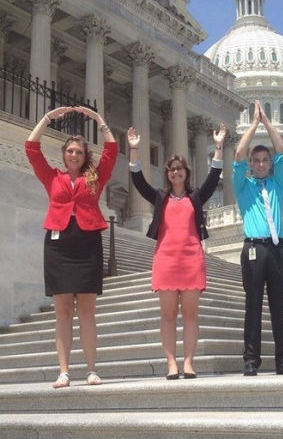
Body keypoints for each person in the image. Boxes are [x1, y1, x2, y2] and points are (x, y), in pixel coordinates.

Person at [25, 106, 118, 388]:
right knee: (62, 310)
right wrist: (47, 119)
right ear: (64, 155)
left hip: (88, 241)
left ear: (84, 155)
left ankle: (91, 370)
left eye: (78, 151)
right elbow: (31, 148)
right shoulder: (53, 177)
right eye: (70, 151)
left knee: (87, 310)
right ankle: (64, 371)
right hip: (59, 245)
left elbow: (112, 151)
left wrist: (101, 121)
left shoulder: (95, 177)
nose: (74, 155)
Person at [128, 124, 225, 379]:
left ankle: (189, 362)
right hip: (166, 260)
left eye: (179, 169)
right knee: (168, 314)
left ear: (186, 173)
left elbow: (214, 178)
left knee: (191, 314)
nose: (175, 173)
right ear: (168, 174)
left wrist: (218, 147)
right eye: (171, 170)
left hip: (191, 258)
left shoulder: (196, 197)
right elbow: (138, 182)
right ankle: (171, 363)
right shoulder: (161, 197)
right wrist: (135, 149)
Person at [233, 100, 283, 376]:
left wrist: (268, 123)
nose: (260, 164)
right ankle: (251, 359)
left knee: (278, 306)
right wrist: (254, 125)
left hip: (277, 250)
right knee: (253, 305)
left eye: (264, 160)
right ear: (251, 164)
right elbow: (237, 153)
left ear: (270, 164)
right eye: (256, 161)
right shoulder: (243, 185)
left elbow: (282, 151)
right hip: (254, 250)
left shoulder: (277, 184)